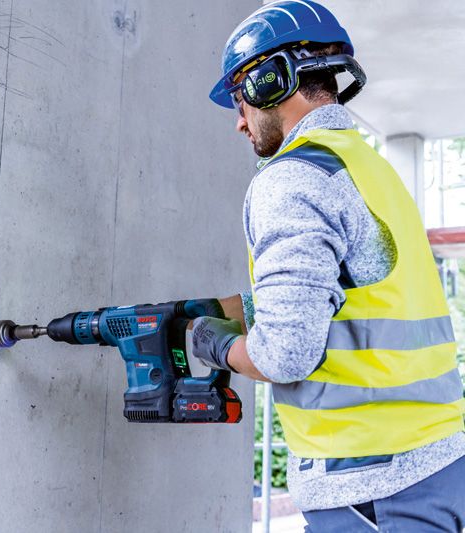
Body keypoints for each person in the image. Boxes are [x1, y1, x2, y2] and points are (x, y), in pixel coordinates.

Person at [190, 1, 465, 530]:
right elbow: (349, 293)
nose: (240, 122)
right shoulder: (366, 168)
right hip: (434, 467)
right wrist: (215, 309)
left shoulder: (292, 179)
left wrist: (216, 345)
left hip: (372, 483)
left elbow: (286, 354)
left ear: (271, 81)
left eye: (241, 99)